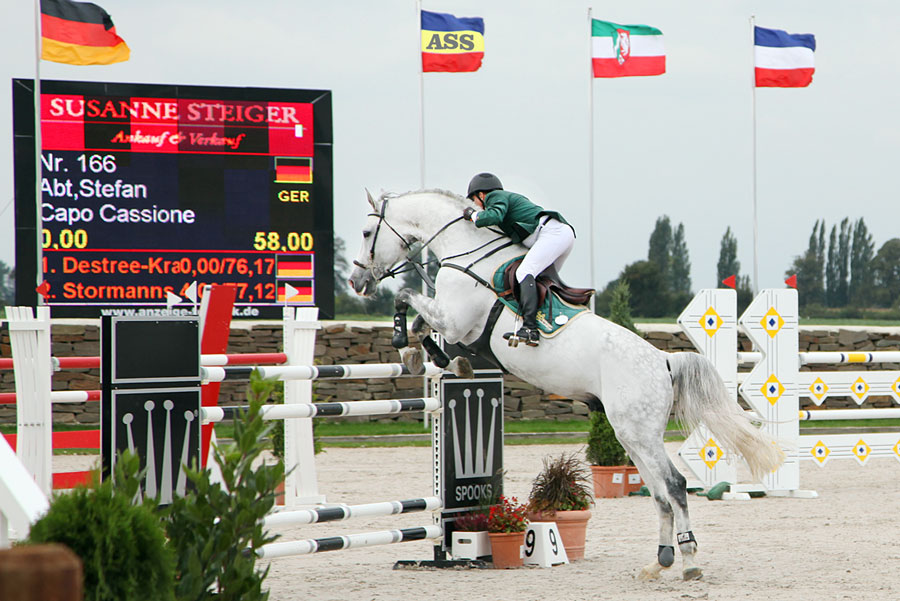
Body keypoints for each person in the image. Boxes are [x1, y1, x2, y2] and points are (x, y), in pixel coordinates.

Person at [462, 172, 575, 347]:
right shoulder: (503, 199)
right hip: (558, 234)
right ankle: (549, 321)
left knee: (524, 271)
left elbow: (494, 216)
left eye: (474, 201)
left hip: (552, 233)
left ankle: (530, 329)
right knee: (540, 281)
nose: (477, 206)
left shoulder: (495, 196)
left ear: (481, 195)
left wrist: (472, 215)